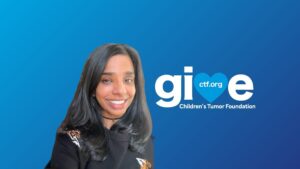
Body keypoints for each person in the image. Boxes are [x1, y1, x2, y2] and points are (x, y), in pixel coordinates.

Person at [45, 44, 153, 169]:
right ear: (91, 88)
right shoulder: (71, 140)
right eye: (107, 80)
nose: (120, 91)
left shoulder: (144, 141)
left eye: (128, 80)